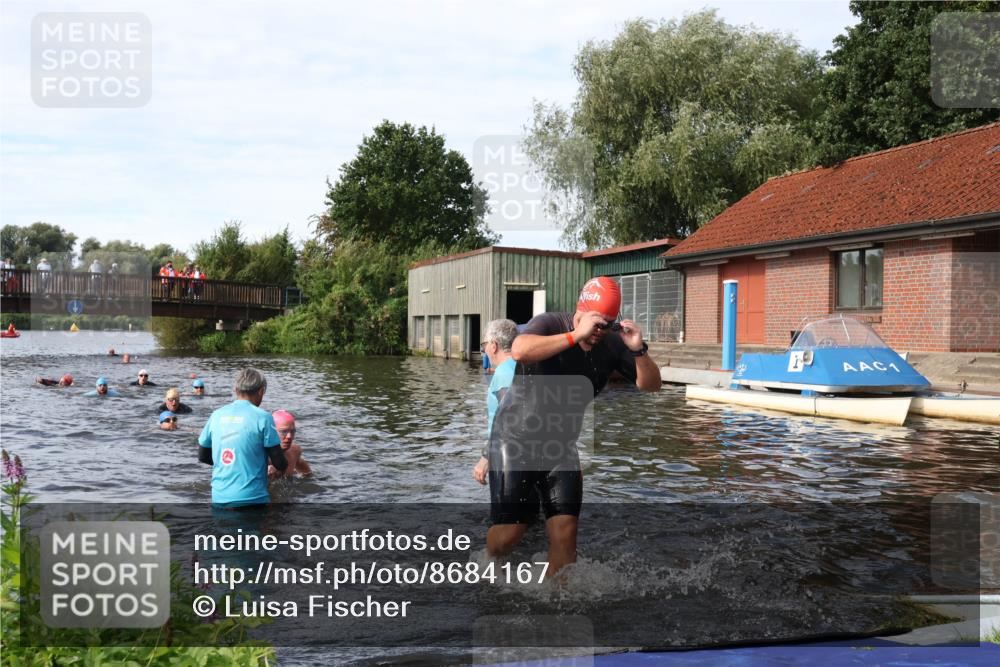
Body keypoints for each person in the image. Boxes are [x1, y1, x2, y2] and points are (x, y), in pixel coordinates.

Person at [486, 277, 661, 577]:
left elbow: (652, 385)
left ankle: (555, 604)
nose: (597, 333)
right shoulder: (550, 323)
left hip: (560, 448)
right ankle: (485, 561)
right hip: (514, 441)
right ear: (579, 311)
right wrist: (573, 335)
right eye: (592, 324)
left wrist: (638, 350)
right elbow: (519, 350)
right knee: (508, 536)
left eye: (605, 325)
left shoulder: (611, 344)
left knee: (565, 537)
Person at [198, 368, 287, 507]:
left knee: (228, 529)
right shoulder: (263, 417)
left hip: (219, 497)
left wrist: (232, 464)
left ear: (236, 389)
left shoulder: (216, 415)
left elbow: (203, 456)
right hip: (252, 498)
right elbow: (280, 463)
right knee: (251, 529)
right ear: (261, 391)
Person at [472, 319, 518, 485]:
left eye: (484, 345)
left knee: (506, 511)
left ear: (493, 345)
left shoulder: (504, 374)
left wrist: (486, 457)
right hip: (528, 456)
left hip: (508, 459)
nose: (484, 350)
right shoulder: (524, 366)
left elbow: (510, 420)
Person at [267, 410, 311, 479]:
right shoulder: (261, 456)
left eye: (292, 431)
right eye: (283, 431)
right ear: (271, 432)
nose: (289, 436)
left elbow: (307, 474)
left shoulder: (294, 451)